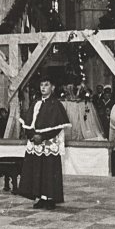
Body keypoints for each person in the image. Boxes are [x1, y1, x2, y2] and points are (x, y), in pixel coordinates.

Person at [18, 74, 70, 210]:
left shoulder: (56, 104)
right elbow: (28, 123)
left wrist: (42, 137)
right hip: (35, 143)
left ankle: (50, 198)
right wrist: (32, 136)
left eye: (46, 85)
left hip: (48, 143)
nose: (43, 87)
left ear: (53, 87)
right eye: (41, 85)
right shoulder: (35, 103)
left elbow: (57, 127)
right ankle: (40, 197)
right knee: (37, 170)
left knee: (49, 171)